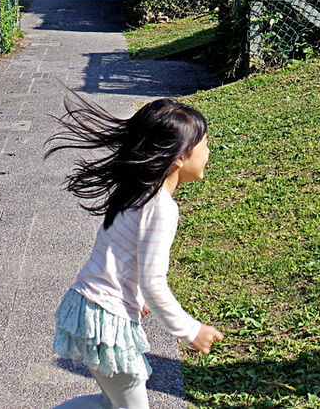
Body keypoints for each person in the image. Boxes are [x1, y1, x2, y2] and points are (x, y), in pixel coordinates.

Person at [47, 98, 223, 408]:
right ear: (181, 157)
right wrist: (189, 330)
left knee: (110, 403)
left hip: (89, 307)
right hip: (107, 318)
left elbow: (119, 254)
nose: (208, 152)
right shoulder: (161, 208)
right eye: (205, 145)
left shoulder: (136, 191)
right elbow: (154, 281)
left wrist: (137, 297)